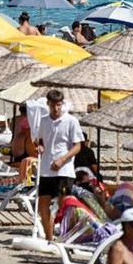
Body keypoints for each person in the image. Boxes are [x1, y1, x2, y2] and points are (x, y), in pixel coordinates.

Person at [34, 89, 84, 242]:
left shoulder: (71, 121)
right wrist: (39, 146)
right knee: (43, 205)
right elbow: (39, 140)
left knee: (64, 204)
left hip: (64, 170)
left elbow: (78, 146)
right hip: (46, 170)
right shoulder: (43, 120)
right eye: (53, 105)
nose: (56, 109)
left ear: (62, 104)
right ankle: (50, 239)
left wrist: (63, 159)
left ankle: (67, 237)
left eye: (59, 105)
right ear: (48, 104)